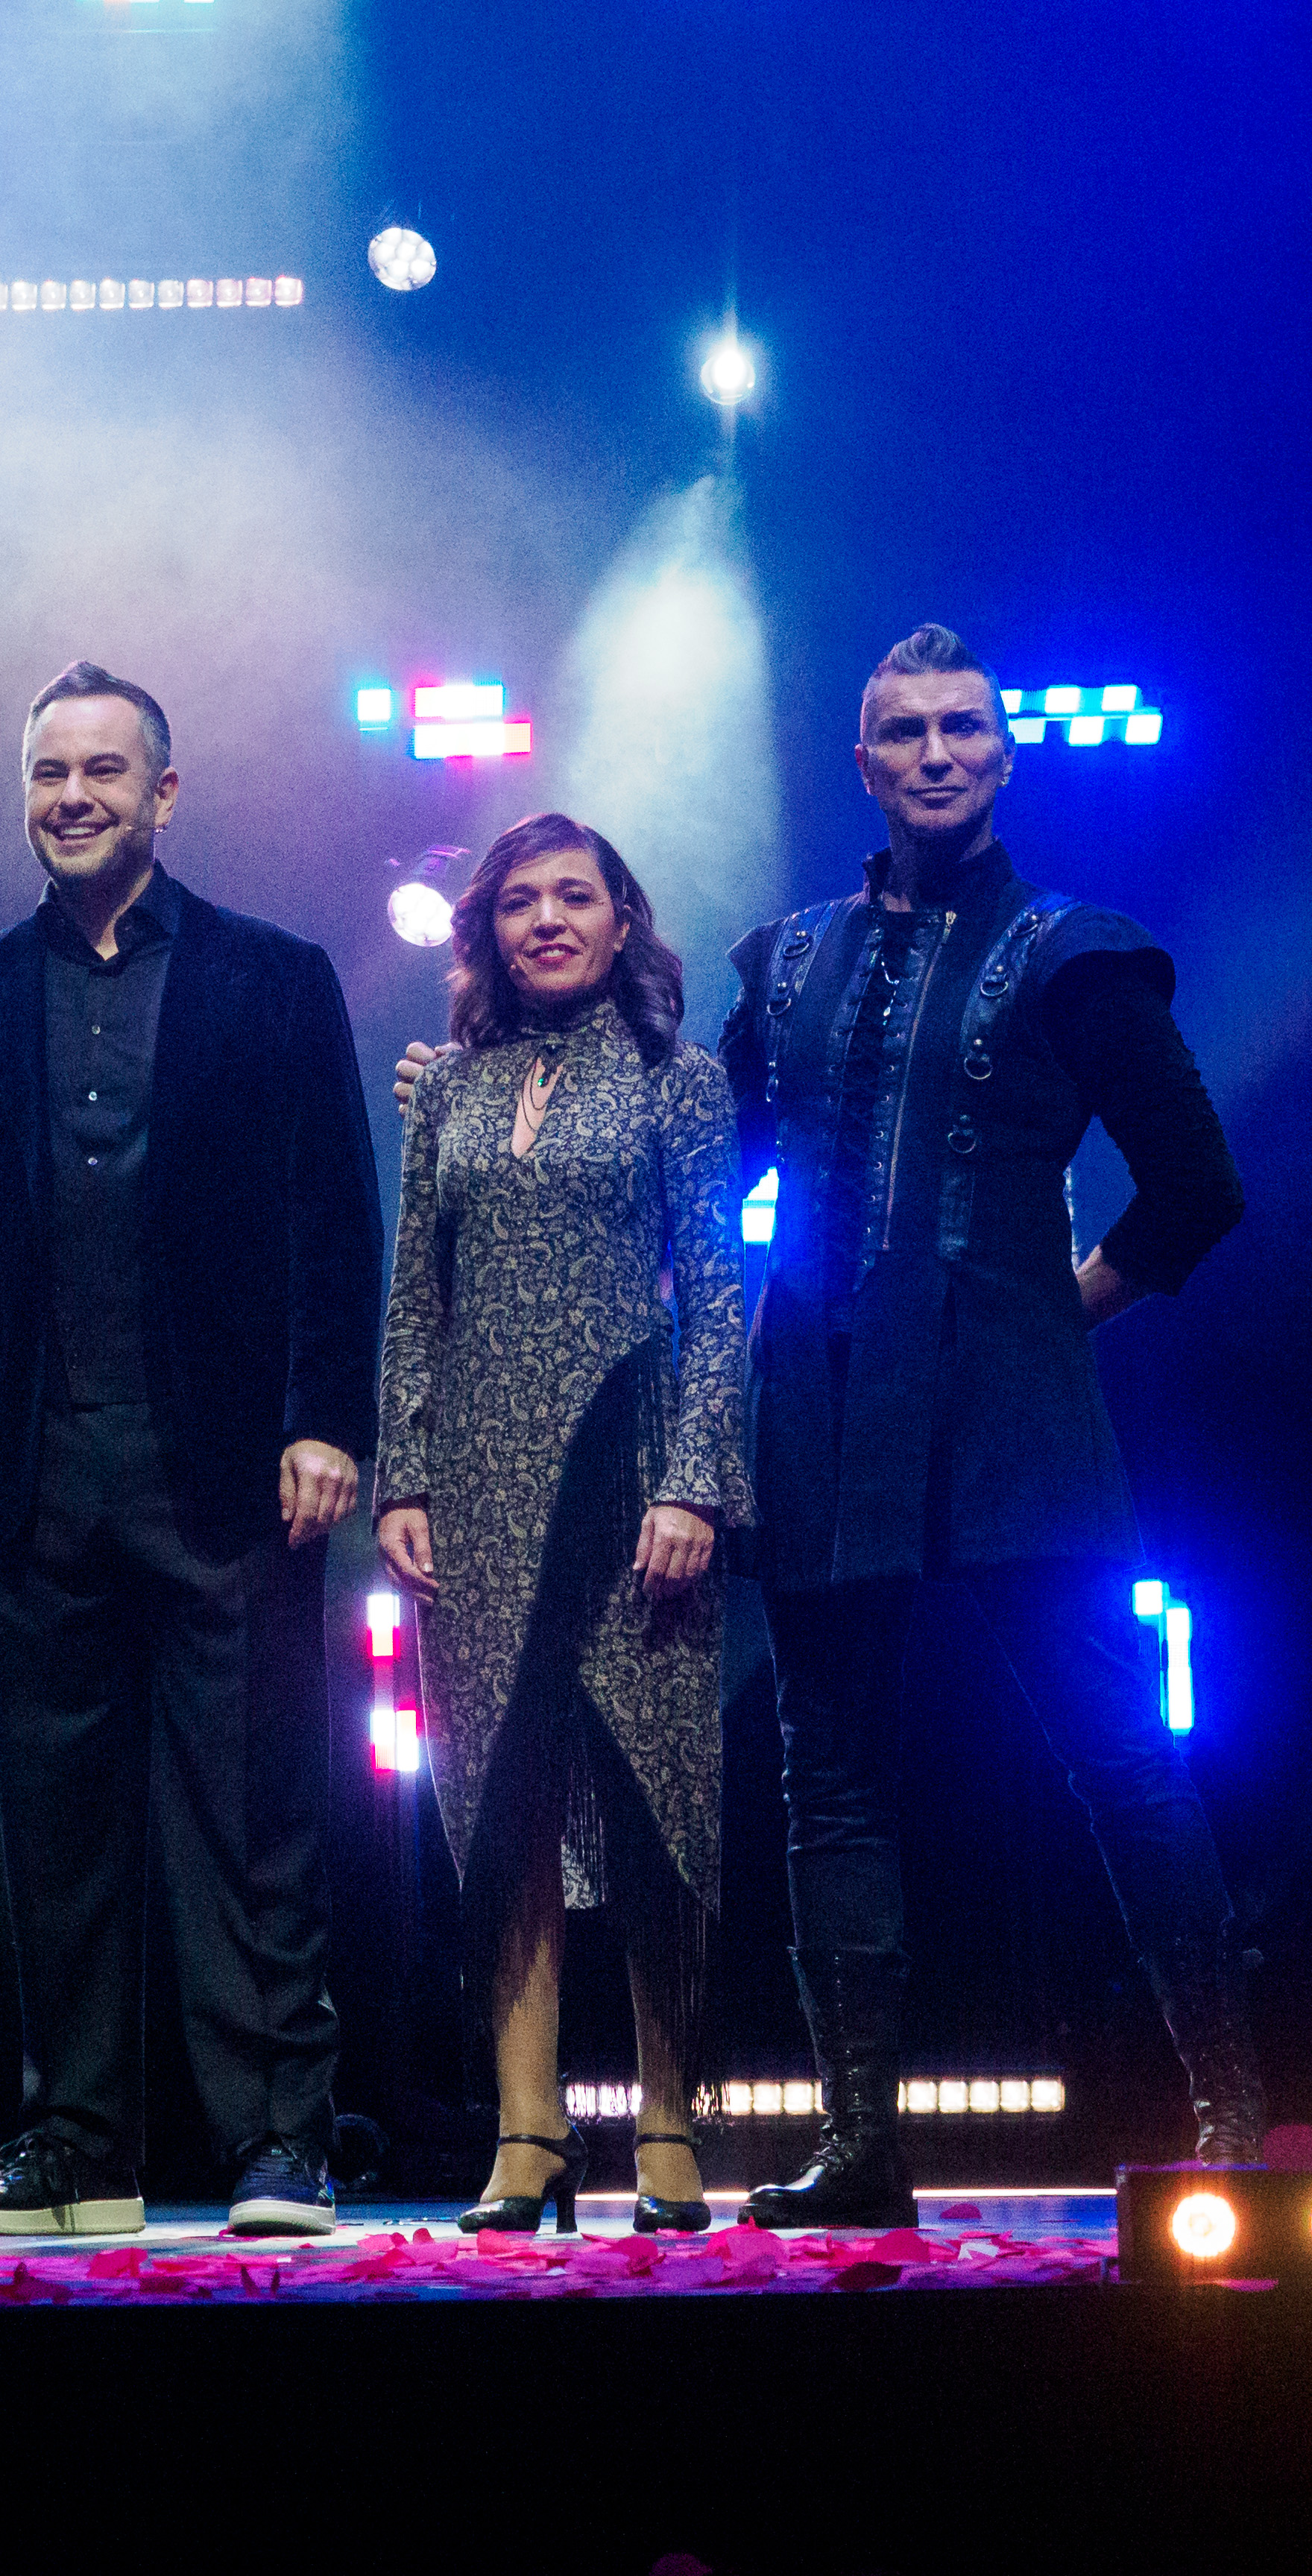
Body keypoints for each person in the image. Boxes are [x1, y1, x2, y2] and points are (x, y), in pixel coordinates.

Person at [399, 628, 1261, 2222]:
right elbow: (671, 1140)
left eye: (963, 728)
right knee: (830, 1779)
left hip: (1013, 1417)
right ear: (862, 764)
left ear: (1001, 755)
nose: (937, 752)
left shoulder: (1080, 953)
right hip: (812, 1412)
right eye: (903, 732)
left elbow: (1199, 1186)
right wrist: (482, 1083)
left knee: (1122, 1759)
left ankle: (1232, 2105)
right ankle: (862, 2146)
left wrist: (1058, 1301)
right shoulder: (780, 964)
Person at [0, 663, 380, 2240]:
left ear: (166, 793)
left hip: (223, 1462)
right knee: (59, 1827)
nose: (74, 797)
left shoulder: (274, 974)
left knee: (253, 1819)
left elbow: (331, 1215)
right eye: (51, 775)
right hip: (35, 1470)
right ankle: (78, 2147)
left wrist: (325, 1416)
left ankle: (275, 2142)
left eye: (106, 771)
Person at [373, 815, 749, 2236]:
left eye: (572, 897)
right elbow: (416, 1296)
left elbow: (716, 1299)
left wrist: (698, 1481)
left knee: (660, 1804)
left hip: (637, 1478)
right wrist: (400, 1472)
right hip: (475, 1485)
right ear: (487, 930)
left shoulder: (679, 1080)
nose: (545, 920)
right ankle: (528, 2135)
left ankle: (664, 2125)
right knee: (499, 1802)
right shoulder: (448, 1091)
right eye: (519, 900)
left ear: (618, 919)